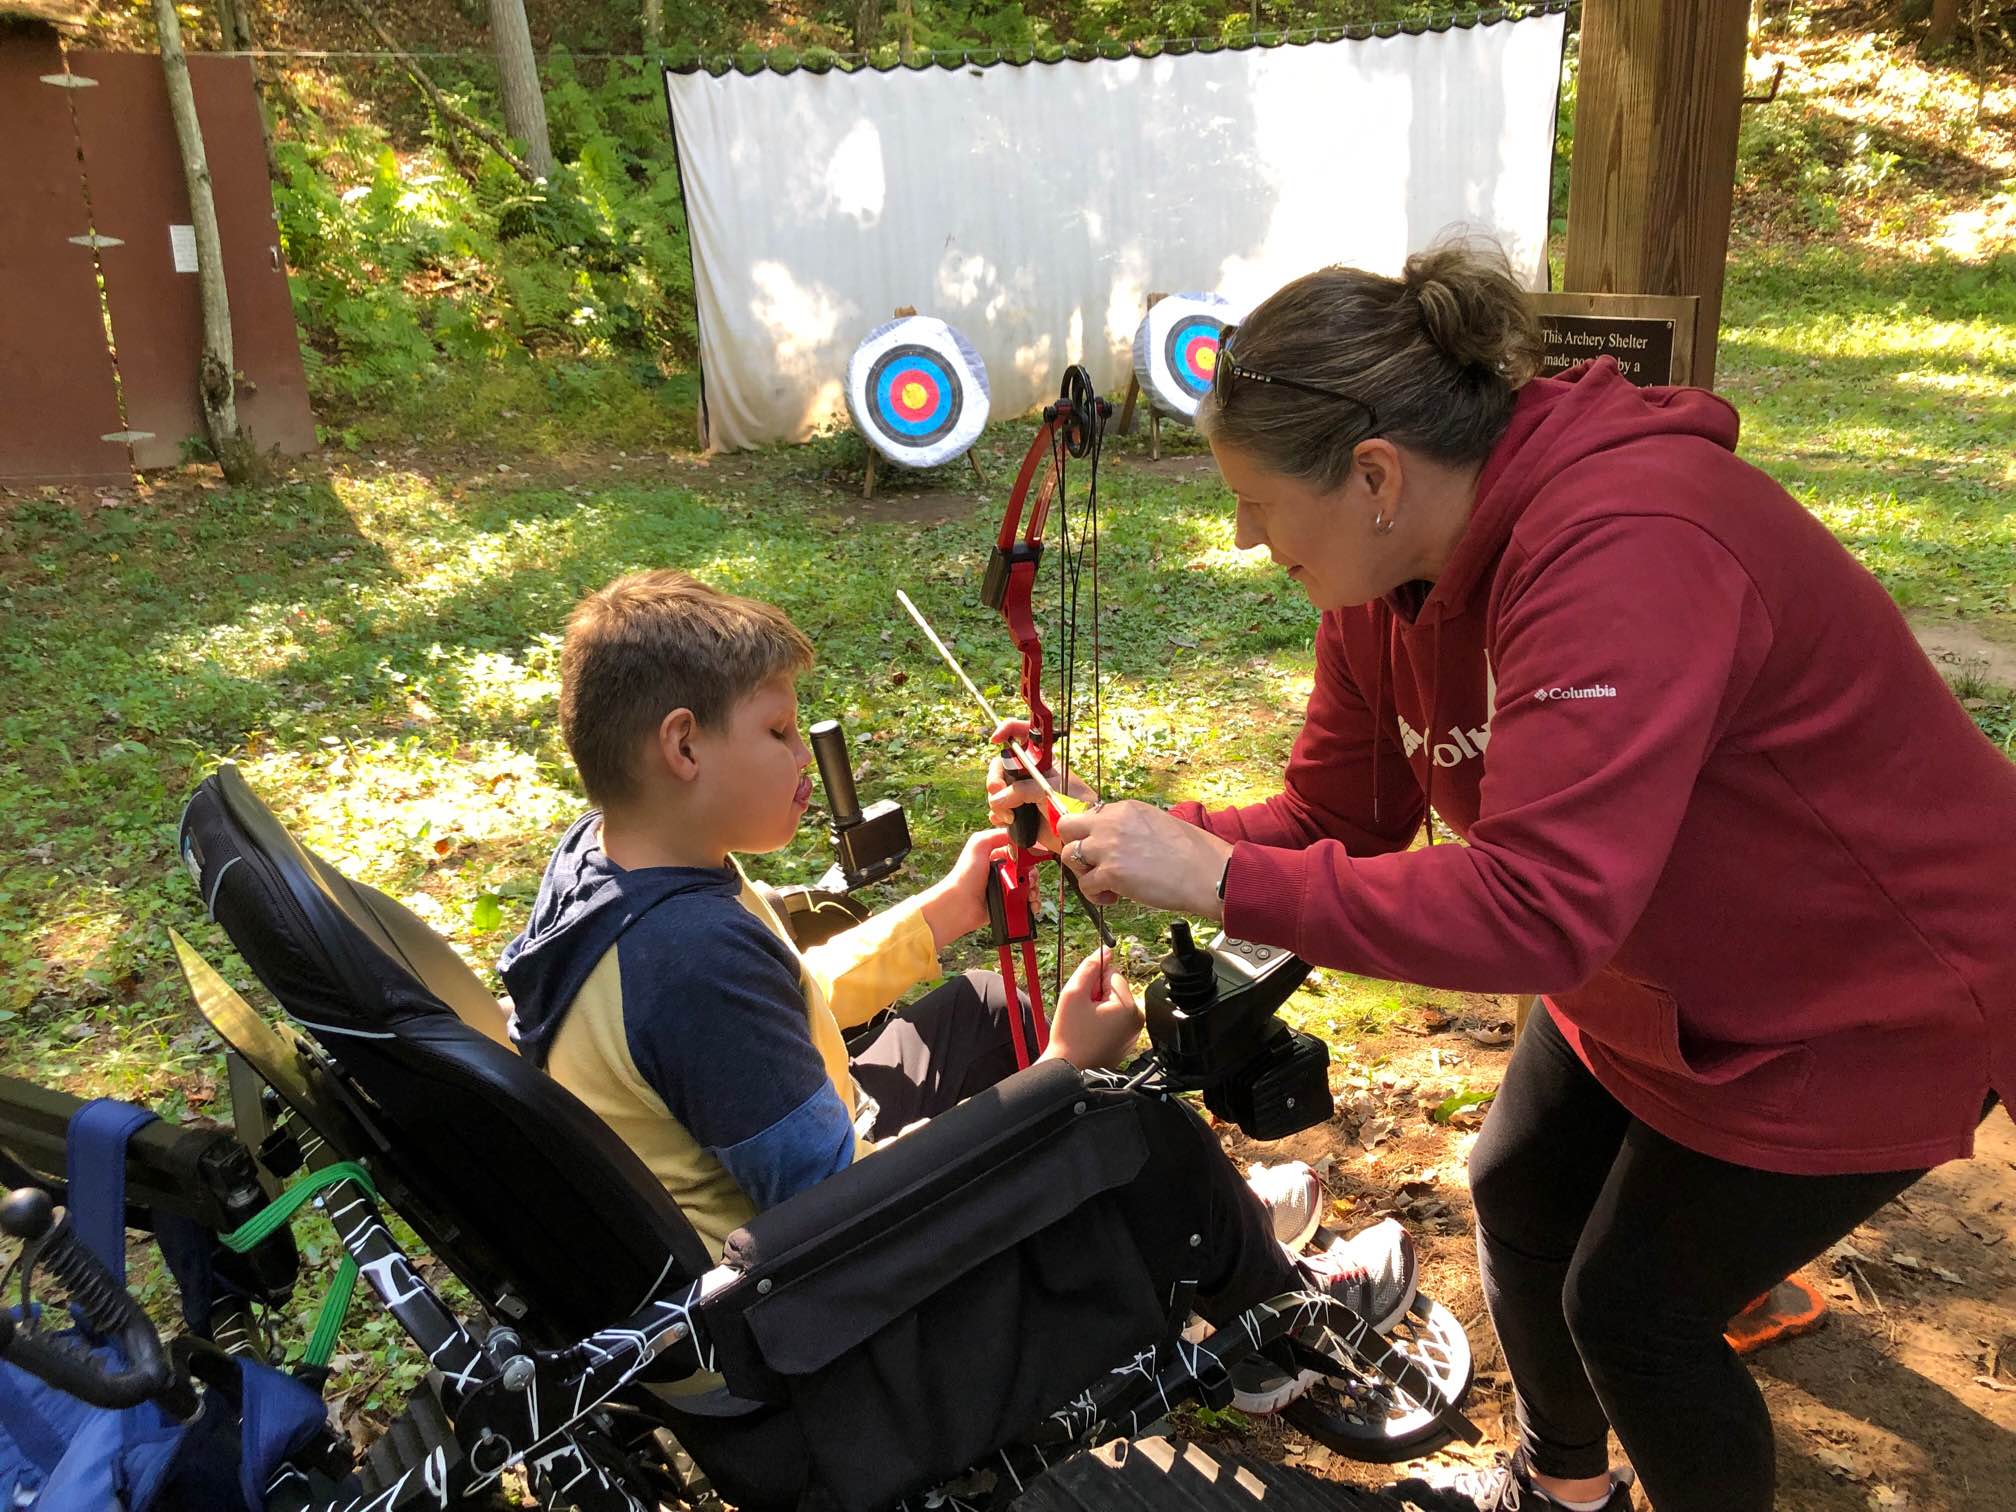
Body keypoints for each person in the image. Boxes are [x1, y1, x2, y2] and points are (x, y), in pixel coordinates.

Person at [993, 245, 2016, 1512]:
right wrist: (1137, 834)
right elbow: (1340, 817)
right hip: (1653, 966)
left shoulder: (1626, 542)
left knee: (1633, 1312)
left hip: (1863, 986)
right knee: (1519, 1193)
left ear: (1374, 476)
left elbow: (1541, 905)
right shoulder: (1384, 576)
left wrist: (1217, 880)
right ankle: (1561, 1489)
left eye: (1256, 499)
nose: (1245, 534)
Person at [497, 568, 1417, 1419]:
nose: (801, 758)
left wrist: (937, 916)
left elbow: (786, 1002)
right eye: (778, 731)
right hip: (787, 1325)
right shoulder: (689, 961)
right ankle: (1274, 1330)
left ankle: (1203, 1234)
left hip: (785, 1200)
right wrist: (1057, 1077)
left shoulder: (623, 857)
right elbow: (838, 1217)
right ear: (683, 745)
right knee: (1124, 1118)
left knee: (986, 1006)